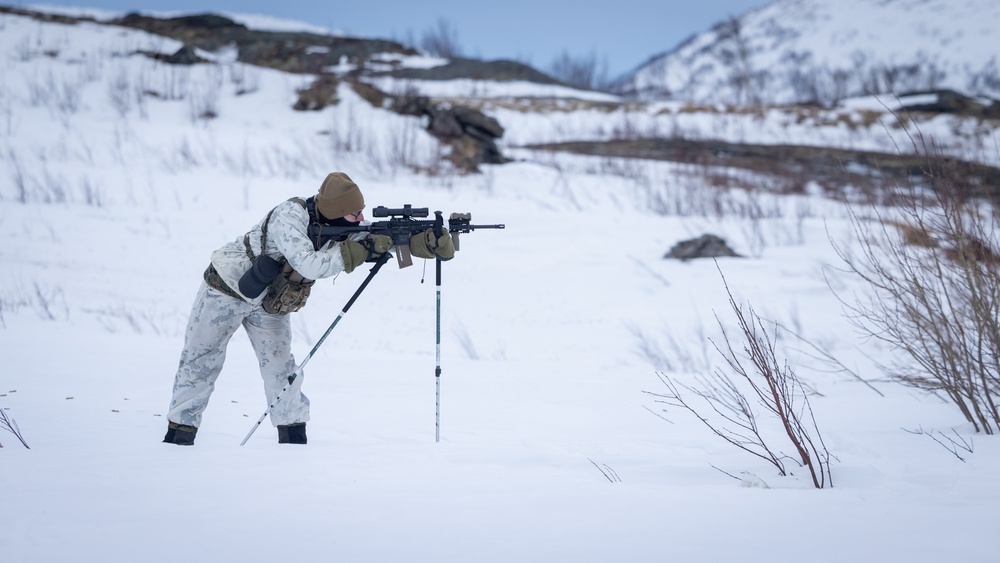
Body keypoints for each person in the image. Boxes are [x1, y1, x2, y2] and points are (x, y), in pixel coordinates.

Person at [162, 172, 455, 446]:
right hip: (226, 287)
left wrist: (421, 242)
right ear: (336, 210)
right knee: (201, 361)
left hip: (269, 301)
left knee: (282, 370)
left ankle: (293, 440)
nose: (361, 218)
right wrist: (363, 250)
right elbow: (309, 264)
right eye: (355, 213)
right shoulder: (289, 216)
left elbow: (372, 242)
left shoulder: (344, 224)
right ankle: (179, 437)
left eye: (361, 211)